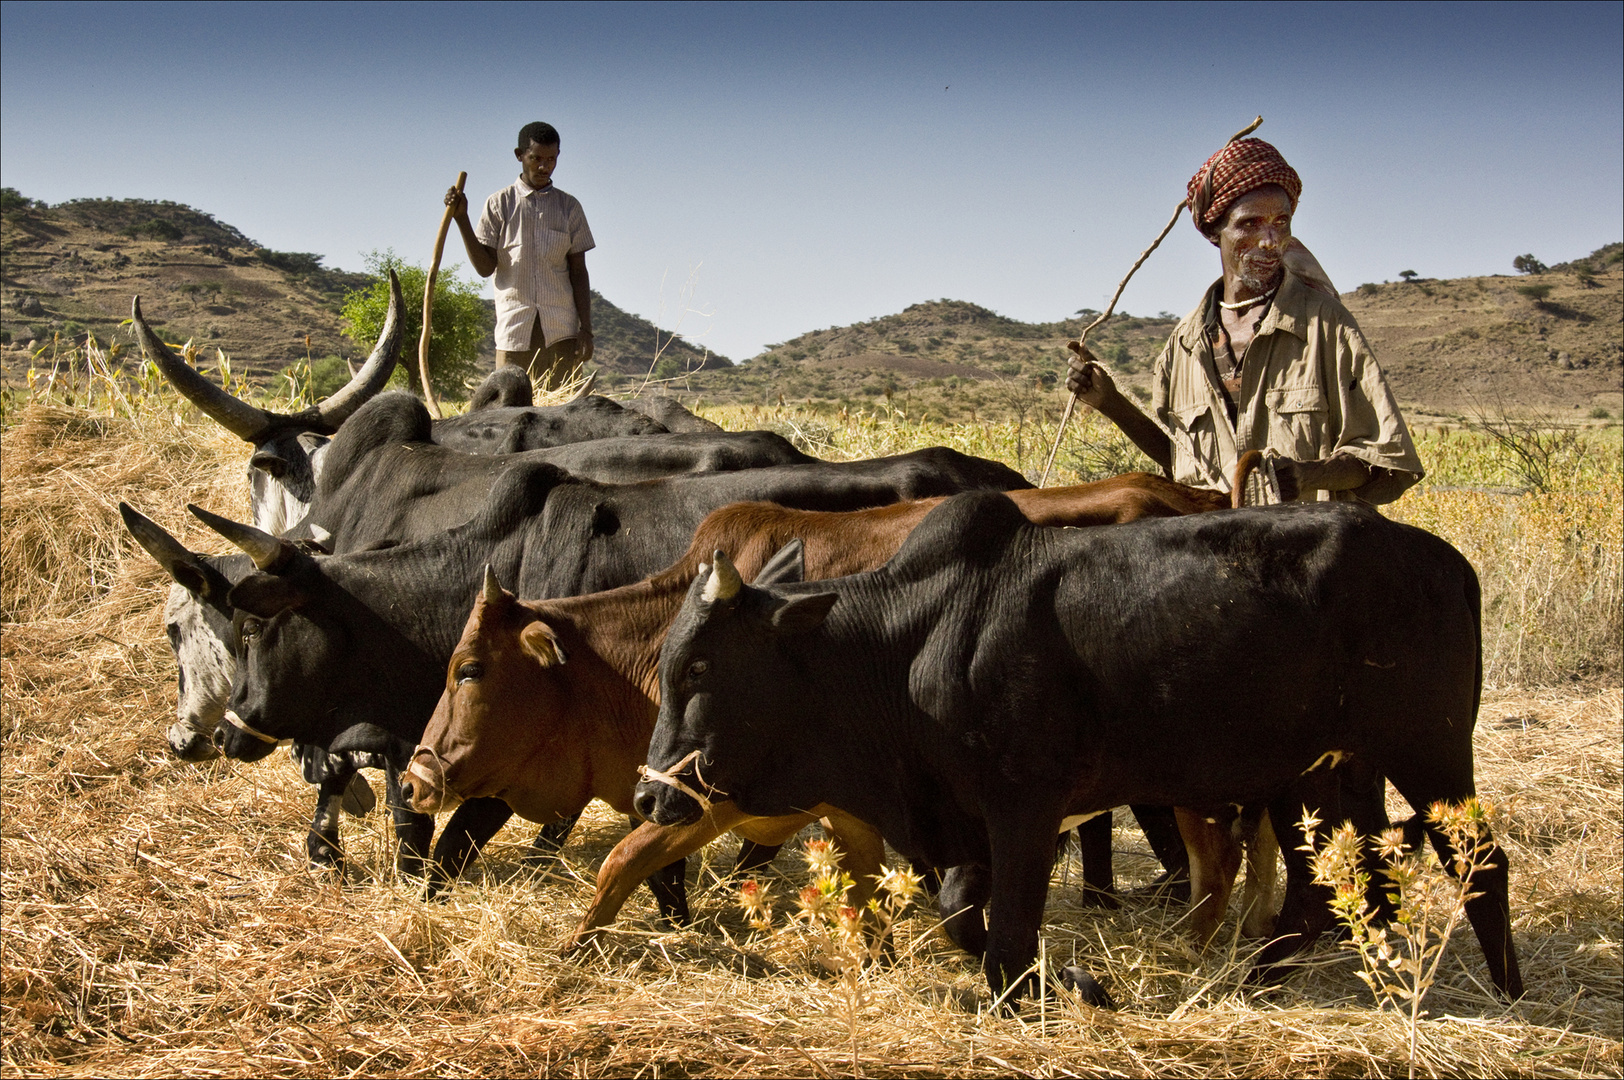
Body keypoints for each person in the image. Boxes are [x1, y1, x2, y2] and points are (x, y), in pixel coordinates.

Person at [1067, 137, 1423, 504]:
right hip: (1214, 553)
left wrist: (1306, 474)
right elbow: (1181, 460)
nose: (1270, 240)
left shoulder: (1326, 326)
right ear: (1214, 232)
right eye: (1250, 224)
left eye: (1280, 222)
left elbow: (1381, 461)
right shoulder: (1185, 344)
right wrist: (1111, 404)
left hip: (1306, 552)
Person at [446, 121, 596, 390]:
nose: (544, 166)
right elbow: (485, 267)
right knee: (510, 413)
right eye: (536, 158)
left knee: (564, 415)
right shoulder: (499, 204)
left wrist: (586, 329)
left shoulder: (569, 207)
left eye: (551, 159)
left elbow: (578, 271)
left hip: (561, 334)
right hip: (515, 333)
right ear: (519, 155)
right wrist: (462, 219)